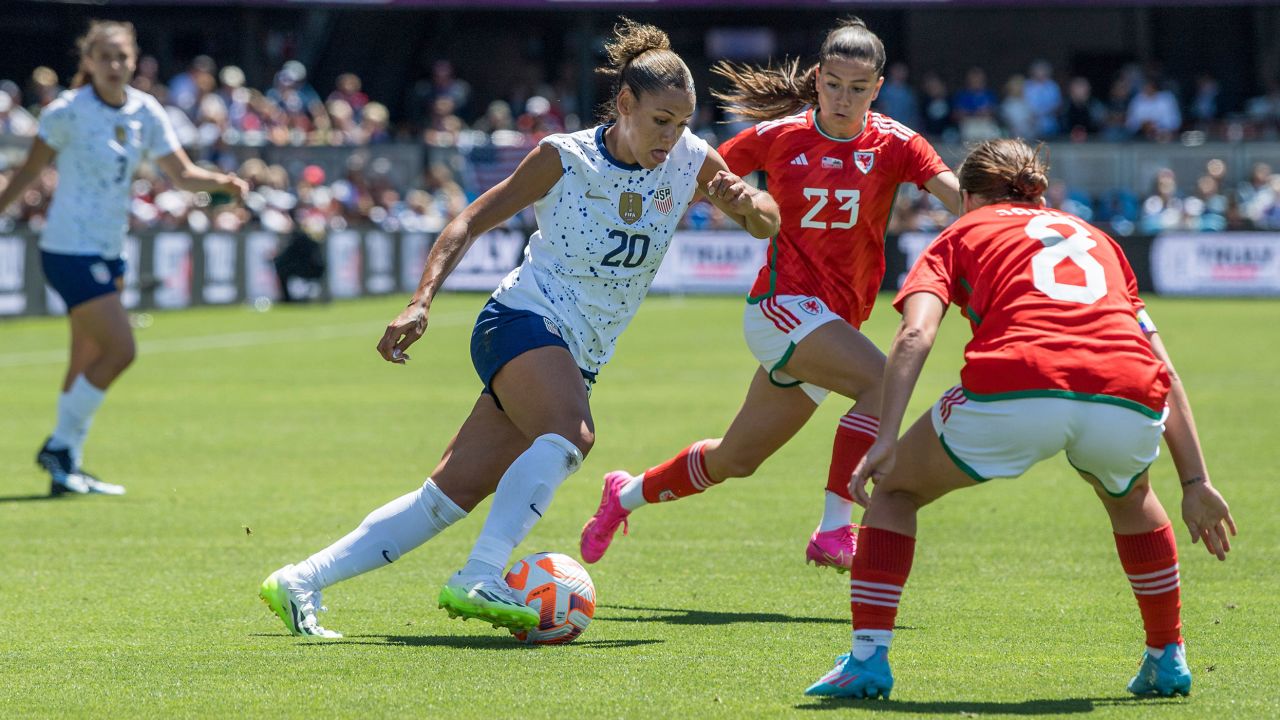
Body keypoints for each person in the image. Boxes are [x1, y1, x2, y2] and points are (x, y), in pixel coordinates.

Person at [258, 18, 780, 638]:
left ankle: (298, 580)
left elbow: (766, 221)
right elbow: (467, 222)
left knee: (444, 499)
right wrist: (420, 301)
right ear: (625, 105)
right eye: (661, 120)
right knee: (573, 435)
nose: (672, 135)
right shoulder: (564, 157)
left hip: (575, 351)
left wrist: (750, 204)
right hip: (522, 319)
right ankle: (481, 573)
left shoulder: (692, 160)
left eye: (683, 122)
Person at [805, 139, 1235, 699]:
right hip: (1127, 388)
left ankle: (867, 661)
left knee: (897, 491)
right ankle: (1167, 655)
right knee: (1130, 499)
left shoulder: (958, 233)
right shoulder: (1097, 239)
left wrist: (885, 438)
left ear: (966, 196)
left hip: (1019, 382)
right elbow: (1164, 367)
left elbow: (916, 332)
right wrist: (1196, 481)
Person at [579, 18, 960, 573]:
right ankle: (834, 531)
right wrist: (632, 208)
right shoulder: (780, 137)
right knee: (882, 381)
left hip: (831, 327)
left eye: (858, 88)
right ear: (818, 77)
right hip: (781, 307)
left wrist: (1008, 218)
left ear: (878, 88)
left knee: (735, 459)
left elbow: (958, 200)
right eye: (833, 84)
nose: (843, 98)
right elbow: (698, 172)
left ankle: (624, 495)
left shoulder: (898, 143)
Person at [0, 21, 246, 496]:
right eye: (105, 57)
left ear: (134, 62)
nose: (115, 65)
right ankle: (58, 446)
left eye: (122, 57)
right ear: (88, 62)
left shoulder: (145, 110)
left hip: (110, 251)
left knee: (84, 359)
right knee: (120, 351)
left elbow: (182, 173)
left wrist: (223, 183)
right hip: (68, 248)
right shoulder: (67, 111)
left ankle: (65, 465)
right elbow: (29, 172)